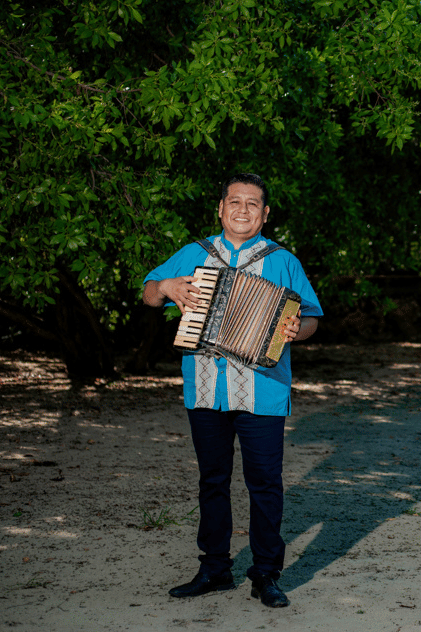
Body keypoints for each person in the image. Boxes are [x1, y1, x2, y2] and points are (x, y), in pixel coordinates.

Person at [142, 173, 322, 608]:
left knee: (264, 482)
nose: (243, 210)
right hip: (206, 388)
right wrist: (166, 287)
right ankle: (214, 568)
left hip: (264, 390)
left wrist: (298, 331)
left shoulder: (282, 260)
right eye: (235, 202)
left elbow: (312, 317)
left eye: (253, 204)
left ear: (264, 215)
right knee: (213, 479)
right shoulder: (194, 254)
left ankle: (266, 573)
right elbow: (149, 293)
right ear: (220, 208)